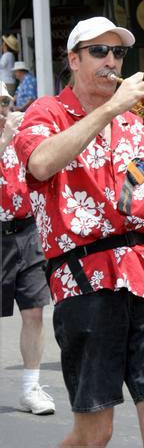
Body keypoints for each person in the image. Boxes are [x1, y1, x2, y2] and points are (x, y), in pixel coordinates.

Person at [14, 16, 144, 447]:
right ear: (74, 59)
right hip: (84, 278)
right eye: (99, 51)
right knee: (95, 432)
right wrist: (111, 107)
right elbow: (40, 163)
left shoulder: (134, 124)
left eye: (118, 52)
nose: (112, 61)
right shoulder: (47, 112)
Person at [0, 82, 55, 415]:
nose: (3, 108)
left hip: (27, 231)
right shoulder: (7, 136)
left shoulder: (21, 133)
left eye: (5, 101)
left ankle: (30, 388)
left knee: (34, 311)